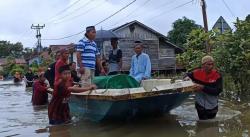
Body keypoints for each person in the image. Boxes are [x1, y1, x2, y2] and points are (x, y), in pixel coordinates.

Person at [185, 55, 223, 120]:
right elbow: (186, 75)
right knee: (202, 123)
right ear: (203, 65)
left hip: (212, 106)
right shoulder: (196, 73)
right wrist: (187, 78)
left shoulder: (217, 75)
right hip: (200, 105)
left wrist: (203, 87)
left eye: (212, 64)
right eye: (208, 64)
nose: (211, 66)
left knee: (212, 123)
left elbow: (217, 91)